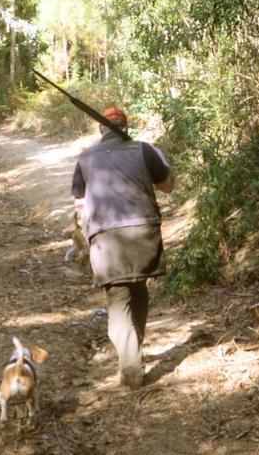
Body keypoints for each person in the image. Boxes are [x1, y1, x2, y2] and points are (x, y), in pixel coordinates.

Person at [71, 106, 174, 388]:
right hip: (143, 232)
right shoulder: (144, 150)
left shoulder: (85, 157)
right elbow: (168, 186)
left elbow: (79, 203)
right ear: (125, 128)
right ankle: (133, 354)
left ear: (101, 130)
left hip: (106, 238)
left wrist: (83, 235)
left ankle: (130, 367)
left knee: (118, 298)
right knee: (137, 287)